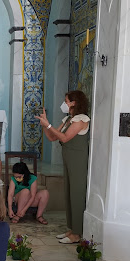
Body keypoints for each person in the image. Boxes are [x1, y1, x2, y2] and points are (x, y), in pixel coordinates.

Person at [35, 90, 90, 243]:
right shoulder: (68, 119)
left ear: (74, 103)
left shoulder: (81, 120)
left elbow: (65, 138)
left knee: (77, 194)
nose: (64, 103)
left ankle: (77, 233)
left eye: (66, 101)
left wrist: (49, 125)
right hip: (68, 158)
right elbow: (53, 137)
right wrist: (45, 125)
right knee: (69, 193)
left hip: (78, 160)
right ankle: (71, 229)